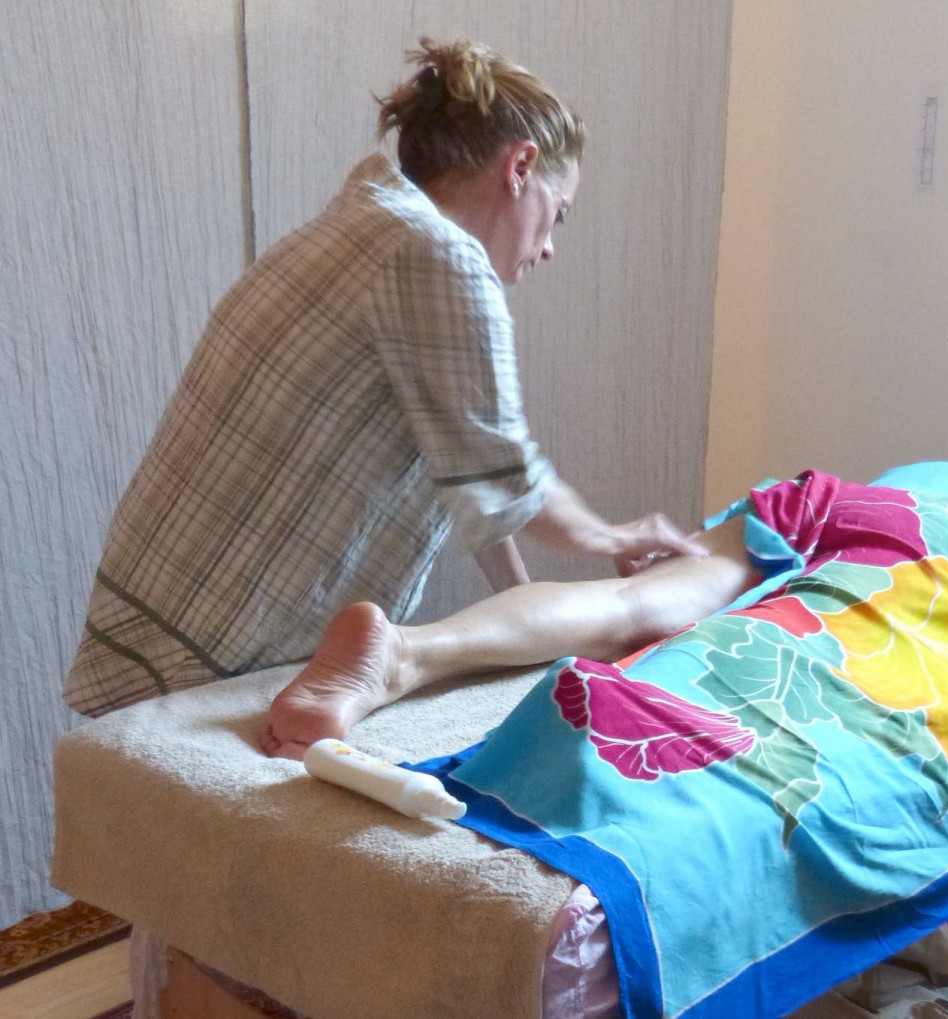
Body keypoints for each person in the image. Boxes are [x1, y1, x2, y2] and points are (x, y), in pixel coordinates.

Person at [63, 37, 705, 720]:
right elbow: (509, 482)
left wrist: (527, 622)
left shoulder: (370, 228)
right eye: (559, 213)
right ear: (520, 166)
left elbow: (471, 477)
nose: (548, 246)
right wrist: (618, 536)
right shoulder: (438, 256)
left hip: (160, 614)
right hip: (213, 643)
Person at [262, 449, 948, 757]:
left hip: (822, 501)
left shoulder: (918, 482)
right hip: (925, 568)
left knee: (629, 602)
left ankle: (404, 651)